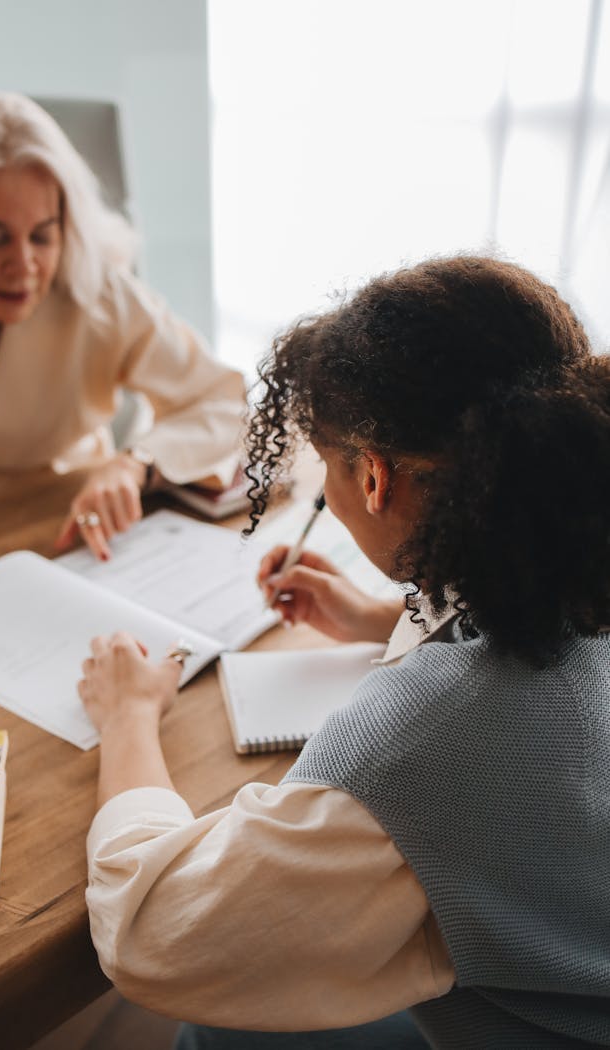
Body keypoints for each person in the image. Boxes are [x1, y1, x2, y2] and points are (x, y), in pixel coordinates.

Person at [78, 256, 610, 1048]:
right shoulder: (581, 566)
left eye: (326, 465)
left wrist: (126, 719)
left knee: (214, 1030)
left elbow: (151, 933)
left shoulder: (408, 756)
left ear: (373, 477)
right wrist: (375, 618)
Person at [0, 93, 246, 559]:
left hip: (72, 528)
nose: (24, 265)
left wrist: (136, 464)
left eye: (43, 235)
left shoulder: (99, 293)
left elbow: (224, 400)